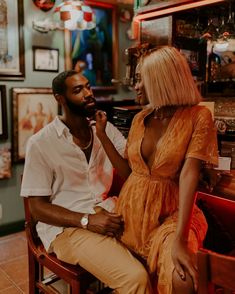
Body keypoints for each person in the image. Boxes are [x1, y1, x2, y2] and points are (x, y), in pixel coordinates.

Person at [95, 46, 218, 294]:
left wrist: (181, 240)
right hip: (130, 215)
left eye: (142, 80)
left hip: (171, 215)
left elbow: (189, 173)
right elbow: (131, 172)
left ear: (161, 81)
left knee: (182, 280)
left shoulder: (198, 116)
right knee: (134, 280)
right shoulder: (140, 118)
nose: (136, 86)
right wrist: (102, 136)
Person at [20, 70, 152, 294]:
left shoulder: (106, 128)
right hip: (67, 229)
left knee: (158, 257)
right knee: (135, 278)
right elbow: (37, 208)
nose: (88, 93)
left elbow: (130, 174)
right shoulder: (41, 143)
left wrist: (102, 136)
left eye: (88, 87)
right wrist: (86, 220)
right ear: (60, 98)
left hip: (111, 212)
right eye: (78, 90)